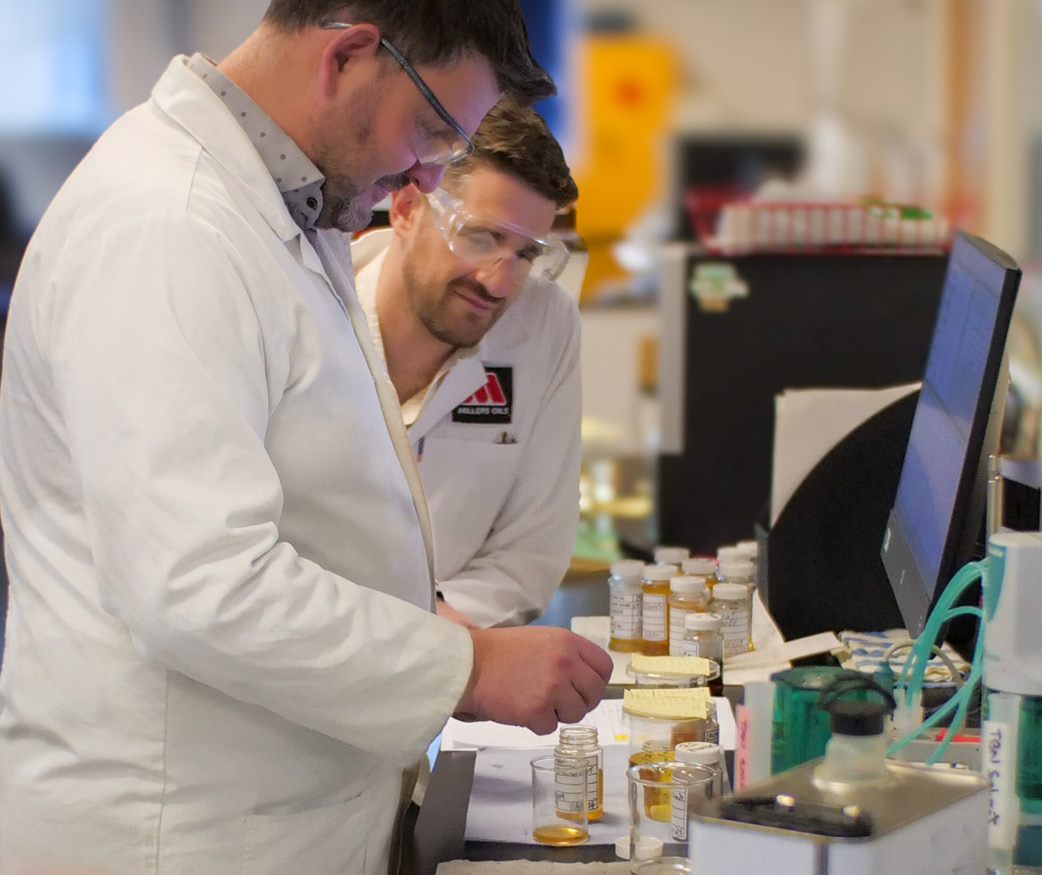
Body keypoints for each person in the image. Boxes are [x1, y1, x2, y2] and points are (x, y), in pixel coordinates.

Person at [0, 3, 613, 874]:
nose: (426, 171)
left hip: (283, 808)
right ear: (352, 54)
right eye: (432, 131)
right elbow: (198, 582)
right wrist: (467, 663)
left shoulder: (283, 214)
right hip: (177, 833)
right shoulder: (170, 223)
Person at [352, 100, 581, 628]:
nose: (499, 282)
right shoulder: (309, 308)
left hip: (463, 668)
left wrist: (433, 645)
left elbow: (529, 553)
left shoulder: (543, 324)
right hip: (305, 669)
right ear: (407, 209)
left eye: (526, 255)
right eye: (481, 238)